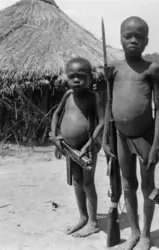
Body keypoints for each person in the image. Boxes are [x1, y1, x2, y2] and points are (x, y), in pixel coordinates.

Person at [102, 16, 159, 250]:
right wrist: (106, 138)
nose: (133, 40)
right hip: (120, 136)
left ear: (146, 41)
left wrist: (156, 144)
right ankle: (134, 232)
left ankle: (147, 235)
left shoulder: (152, 69)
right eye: (128, 36)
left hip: (145, 136)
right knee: (128, 185)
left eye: (139, 37)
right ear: (120, 39)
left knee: (148, 187)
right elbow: (109, 103)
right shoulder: (114, 68)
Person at [50, 57, 104, 238]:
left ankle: (93, 222)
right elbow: (56, 114)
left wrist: (90, 143)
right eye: (72, 76)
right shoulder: (67, 95)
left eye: (81, 76)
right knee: (77, 183)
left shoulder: (93, 97)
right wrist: (55, 135)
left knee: (88, 183)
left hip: (86, 150)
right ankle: (82, 217)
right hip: (69, 149)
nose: (76, 80)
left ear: (90, 78)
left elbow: (102, 122)